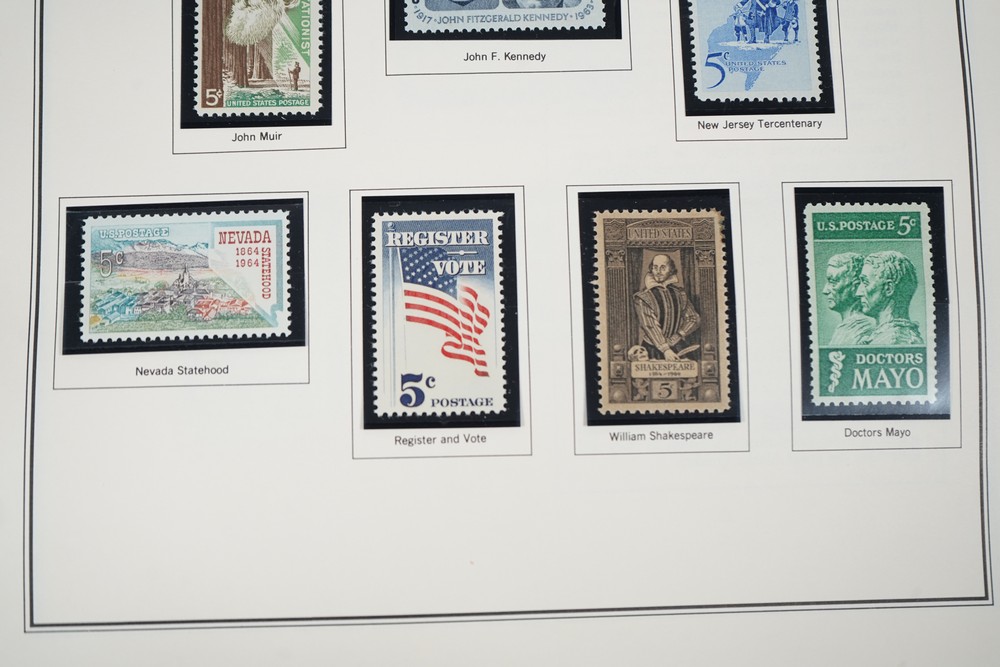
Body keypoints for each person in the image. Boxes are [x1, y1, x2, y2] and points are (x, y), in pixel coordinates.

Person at [633, 254, 700, 360]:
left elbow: (693, 318)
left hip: (677, 346)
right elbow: (650, 325)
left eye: (663, 267)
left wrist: (679, 334)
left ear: (671, 270)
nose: (658, 271)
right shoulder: (643, 297)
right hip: (653, 349)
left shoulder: (680, 294)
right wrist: (665, 349)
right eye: (655, 267)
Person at [855, 250, 924, 345]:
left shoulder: (895, 340)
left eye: (865, 283)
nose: (858, 293)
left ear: (888, 288)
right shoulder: (884, 336)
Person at [822, 253, 875, 345]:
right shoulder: (848, 327)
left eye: (833, 282)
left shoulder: (861, 328)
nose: (825, 291)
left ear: (855, 286)